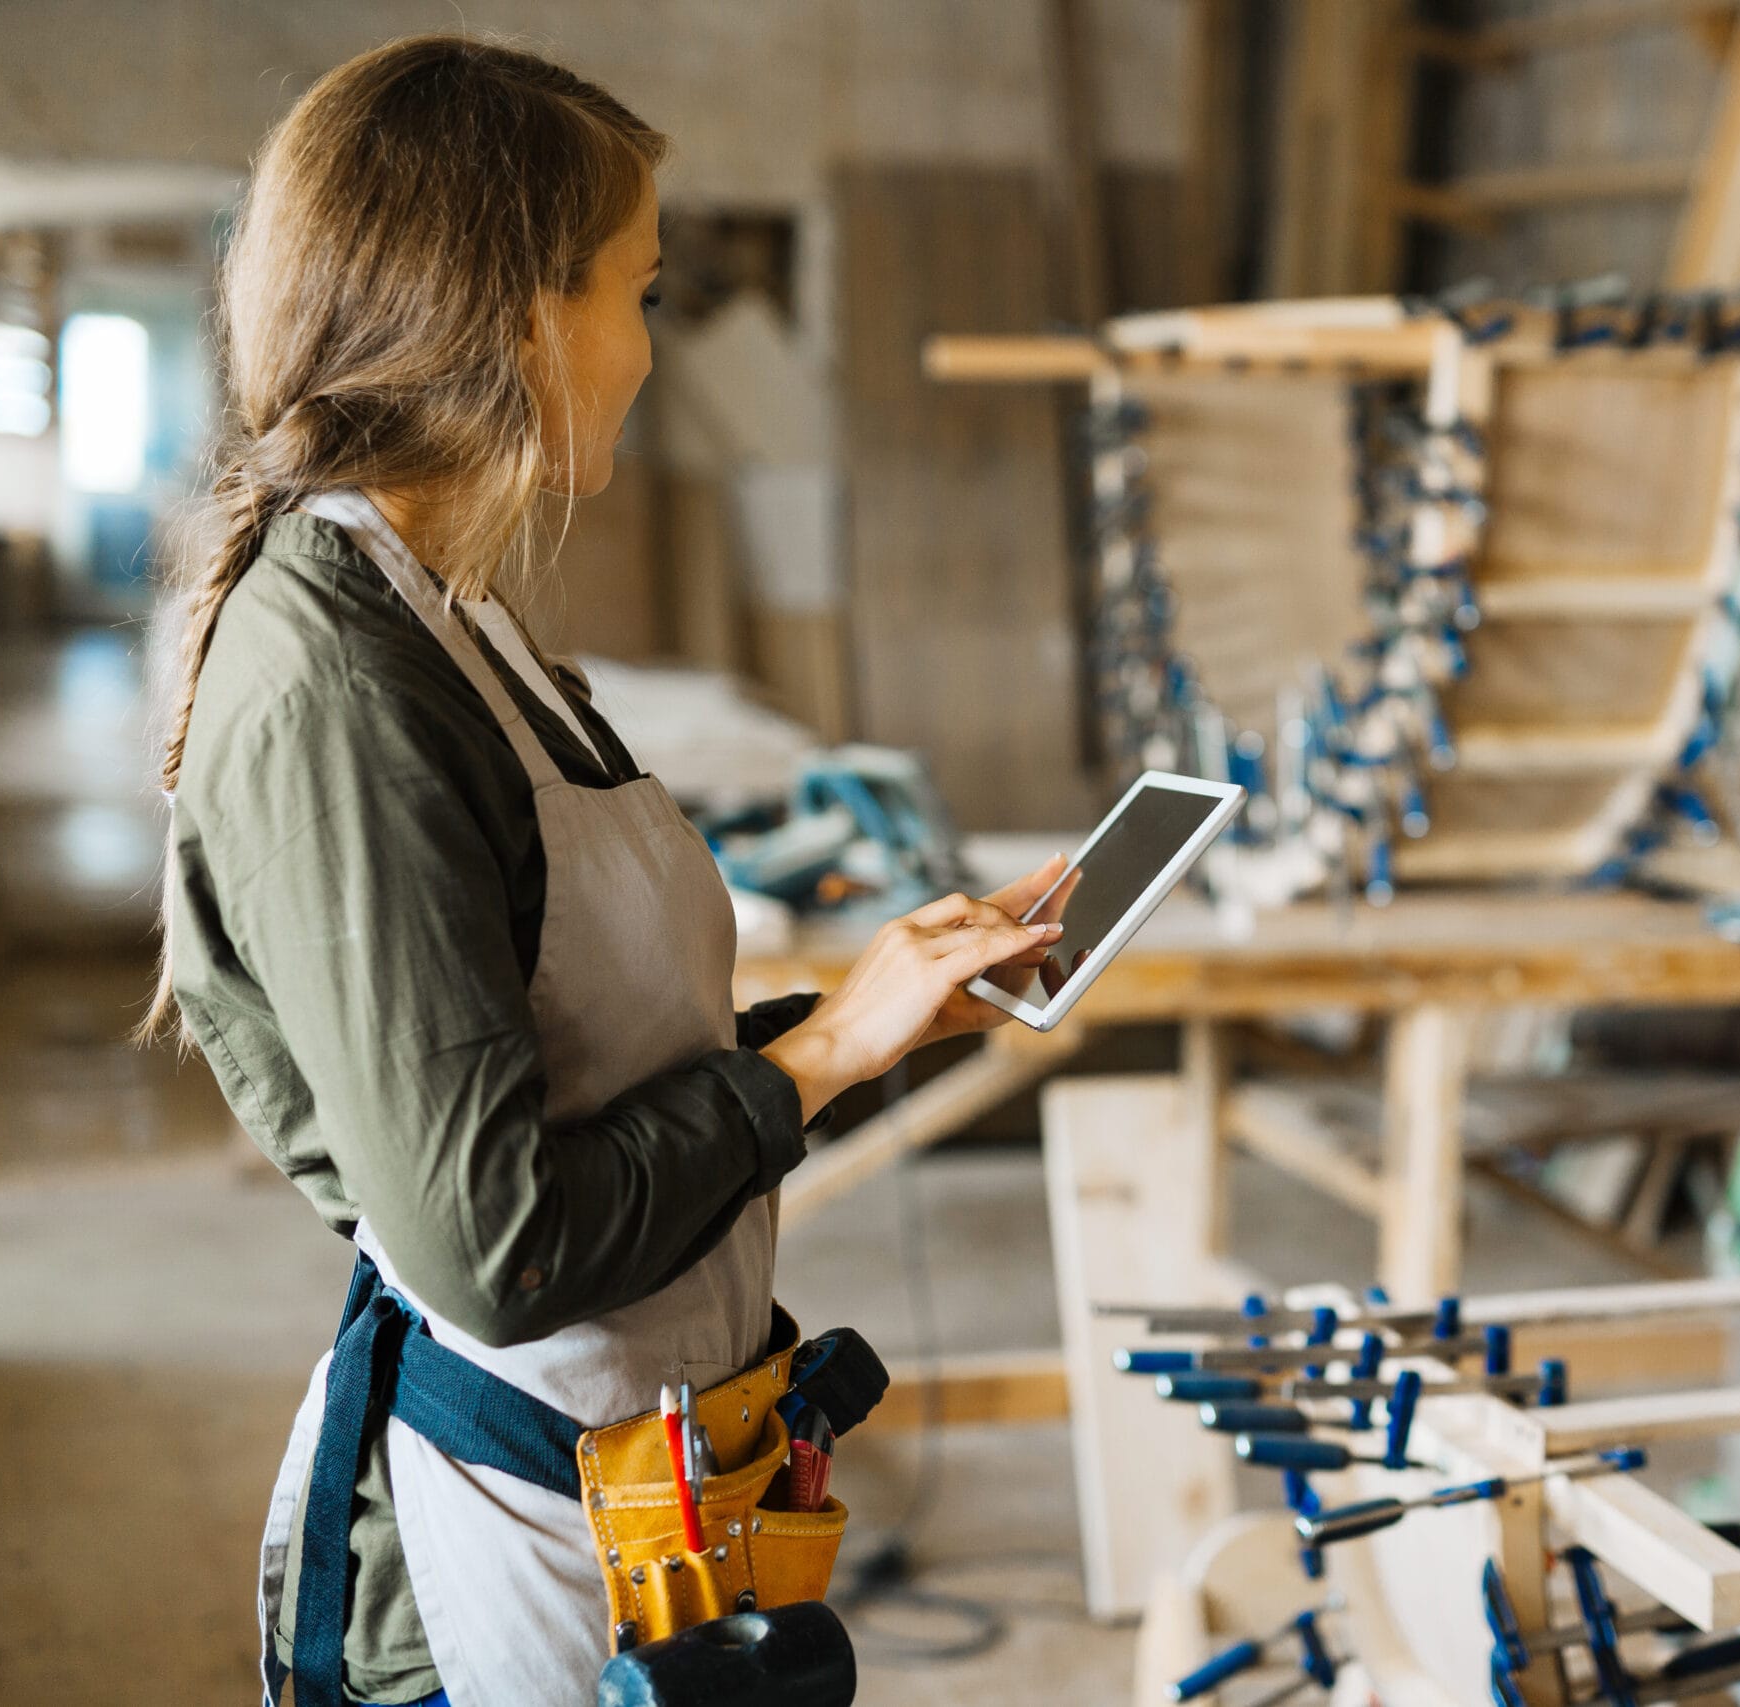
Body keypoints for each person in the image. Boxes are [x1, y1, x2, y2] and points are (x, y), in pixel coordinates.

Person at [145, 36, 1068, 1707]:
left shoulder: (454, 616)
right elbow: (491, 1236)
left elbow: (588, 1070)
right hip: (512, 1531)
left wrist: (876, 1014)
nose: (647, 353)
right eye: (634, 296)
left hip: (637, 1488)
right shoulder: (344, 681)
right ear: (513, 317)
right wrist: (822, 1055)